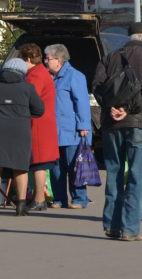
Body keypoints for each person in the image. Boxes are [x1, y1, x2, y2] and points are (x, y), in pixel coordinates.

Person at [93, 22, 142, 241]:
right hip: (139, 123)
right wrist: (129, 109)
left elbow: (97, 86)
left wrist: (113, 107)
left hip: (111, 124)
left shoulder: (110, 57)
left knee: (113, 173)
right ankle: (130, 229)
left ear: (130, 37)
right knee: (137, 175)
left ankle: (112, 225)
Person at [0, 58, 45, 217]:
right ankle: (21, 206)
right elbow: (39, 110)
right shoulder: (27, 88)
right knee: (20, 167)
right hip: (19, 131)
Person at [45, 44, 91, 209]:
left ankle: (79, 198)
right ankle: (59, 199)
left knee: (74, 165)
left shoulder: (74, 76)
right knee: (56, 167)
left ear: (58, 60)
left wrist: (84, 125)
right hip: (54, 131)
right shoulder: (52, 78)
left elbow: (82, 102)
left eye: (48, 59)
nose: (45, 62)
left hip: (72, 130)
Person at [18, 43, 59, 211]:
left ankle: (39, 199)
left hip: (37, 124)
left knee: (38, 163)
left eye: (22, 60)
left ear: (28, 59)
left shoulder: (34, 75)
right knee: (39, 163)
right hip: (44, 122)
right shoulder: (42, 72)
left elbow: (29, 98)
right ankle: (39, 198)